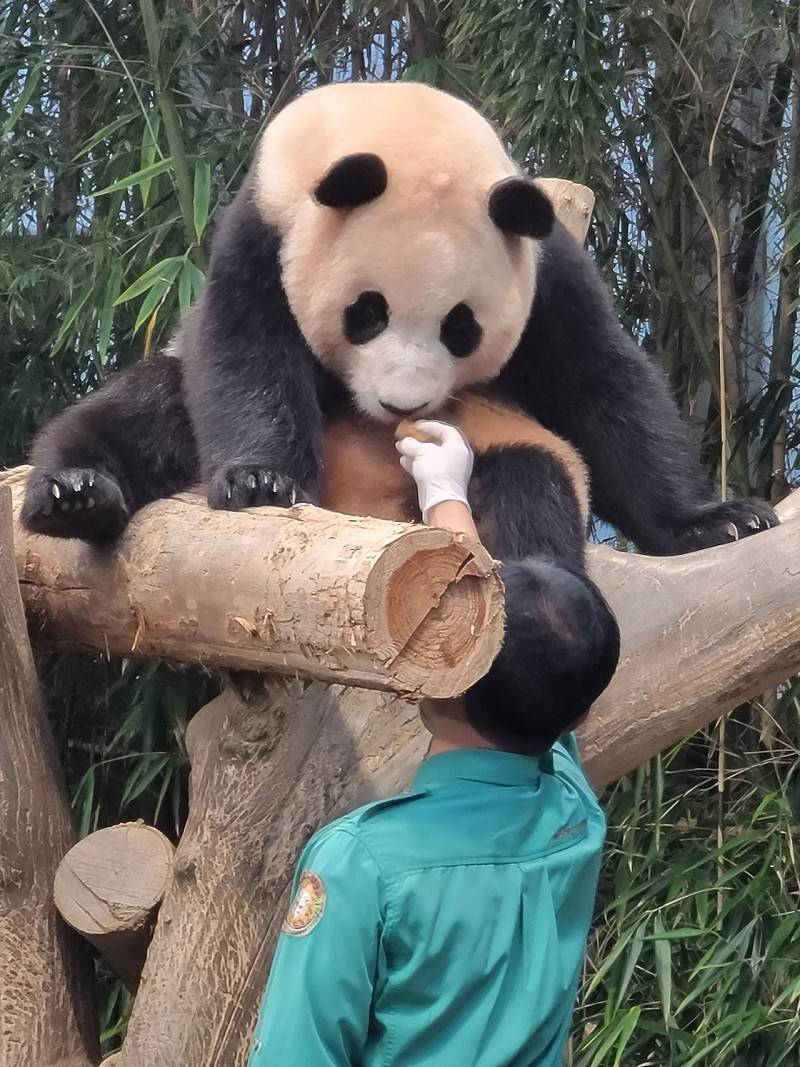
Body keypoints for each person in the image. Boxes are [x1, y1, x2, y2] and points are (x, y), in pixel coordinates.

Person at [247, 422, 620, 1067]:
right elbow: (538, 668)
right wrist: (444, 495)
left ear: (447, 665)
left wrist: (444, 492)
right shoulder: (573, 815)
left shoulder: (361, 862)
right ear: (579, 719)